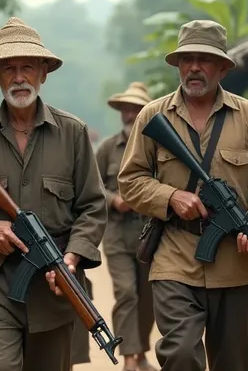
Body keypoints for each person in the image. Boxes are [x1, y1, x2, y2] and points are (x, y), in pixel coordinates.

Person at [0, 17, 108, 371]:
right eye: (9, 68)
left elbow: (92, 207)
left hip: (55, 283)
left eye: (28, 67)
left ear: (43, 72)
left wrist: (72, 257)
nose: (19, 77)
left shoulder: (73, 133)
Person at [116, 20, 248, 371]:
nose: (194, 67)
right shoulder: (153, 116)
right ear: (178, 65)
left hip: (236, 263)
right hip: (175, 257)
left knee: (235, 362)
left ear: (223, 67)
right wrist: (170, 197)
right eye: (186, 58)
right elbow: (130, 180)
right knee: (179, 355)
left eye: (204, 59)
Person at [95, 82, 157, 371]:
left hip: (150, 233)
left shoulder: (157, 146)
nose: (130, 114)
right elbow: (90, 185)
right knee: (127, 293)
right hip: (117, 233)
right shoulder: (107, 148)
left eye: (136, 109)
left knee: (148, 298)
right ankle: (130, 358)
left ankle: (140, 350)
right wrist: (113, 201)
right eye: (126, 109)